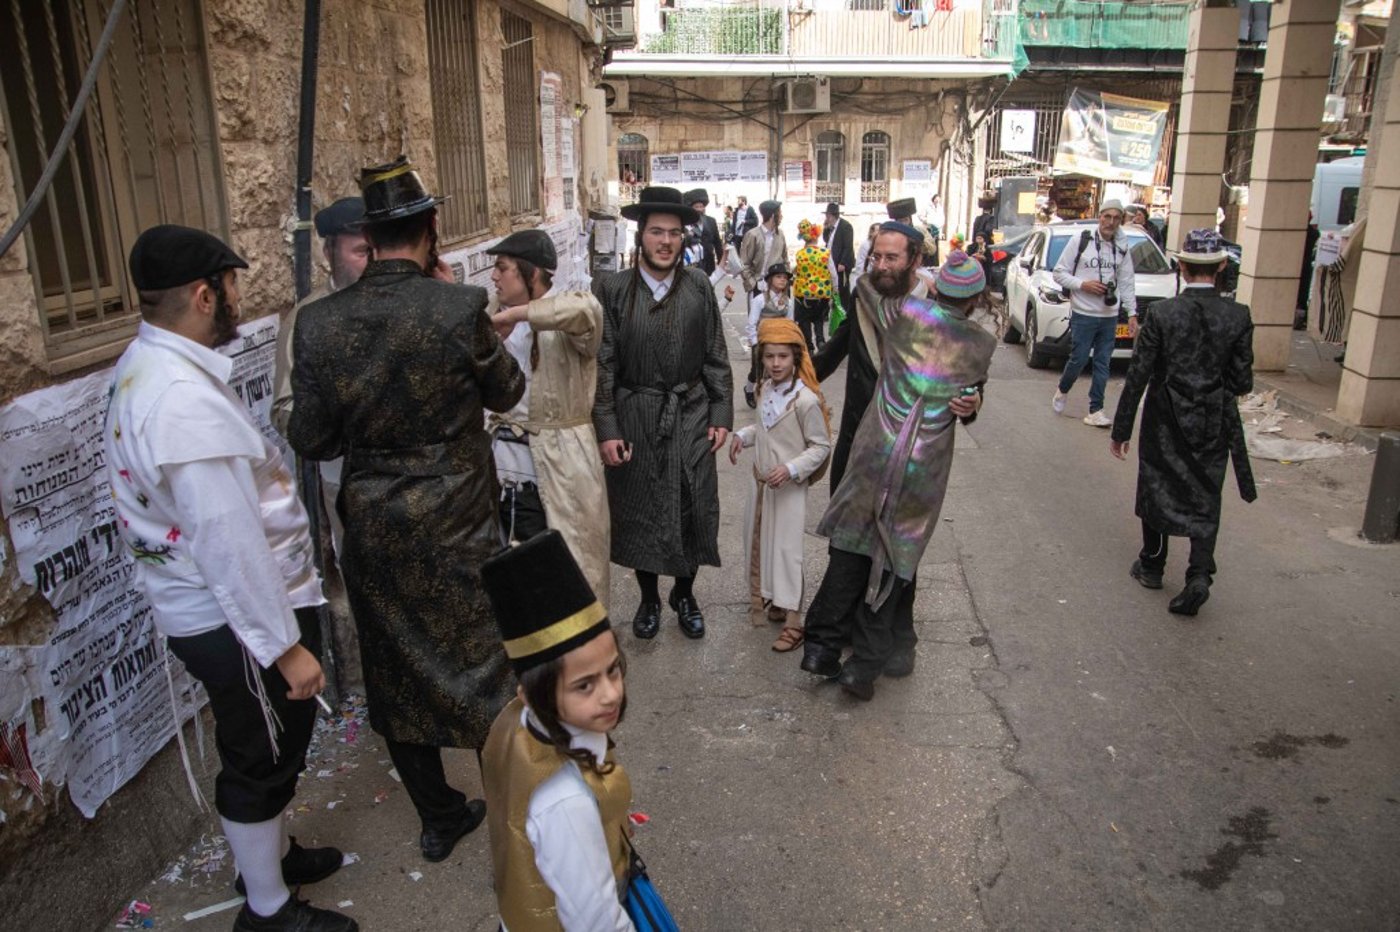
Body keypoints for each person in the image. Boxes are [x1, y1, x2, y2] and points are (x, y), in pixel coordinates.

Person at [106, 225, 355, 932]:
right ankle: (268, 910)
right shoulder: (178, 402)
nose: (239, 299)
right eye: (232, 286)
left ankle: (272, 857)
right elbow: (228, 545)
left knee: (271, 744)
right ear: (202, 293)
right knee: (261, 758)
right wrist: (287, 648)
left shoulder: (155, 367)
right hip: (239, 619)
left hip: (234, 613)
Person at [289, 156, 526, 863]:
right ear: (431, 231)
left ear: (370, 234)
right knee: (485, 668)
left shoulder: (321, 324)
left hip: (376, 527)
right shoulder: (457, 308)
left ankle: (437, 816)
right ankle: (516, 819)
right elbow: (508, 391)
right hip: (460, 520)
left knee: (396, 674)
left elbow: (313, 437)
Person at [801, 237, 992, 702]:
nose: (882, 265)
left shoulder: (903, 315)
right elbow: (969, 391)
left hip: (874, 451)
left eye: (891, 257)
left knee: (850, 547)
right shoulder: (980, 343)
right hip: (923, 465)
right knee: (894, 560)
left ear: (928, 276)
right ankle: (863, 667)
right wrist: (969, 401)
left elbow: (866, 289)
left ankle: (821, 649)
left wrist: (867, 272)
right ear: (975, 299)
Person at [479, 530, 649, 932]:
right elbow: (595, 920)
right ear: (532, 693)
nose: (610, 695)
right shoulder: (566, 801)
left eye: (613, 670)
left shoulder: (517, 721)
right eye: (584, 685)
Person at [591, 186, 733, 641]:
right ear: (641, 236)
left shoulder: (697, 286)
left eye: (674, 233)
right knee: (641, 509)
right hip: (636, 413)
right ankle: (650, 598)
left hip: (689, 409)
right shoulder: (612, 290)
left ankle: (685, 594)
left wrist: (721, 413)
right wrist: (607, 427)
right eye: (657, 232)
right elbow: (603, 364)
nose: (666, 241)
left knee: (693, 505)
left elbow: (716, 354)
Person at [1110, 229, 1256, 617]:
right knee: (1206, 493)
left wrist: (1121, 429)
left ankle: (1153, 564)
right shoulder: (1238, 316)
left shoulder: (1161, 314)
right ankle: (1198, 576)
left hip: (1164, 418)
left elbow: (1138, 375)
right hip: (1213, 420)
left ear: (1181, 266)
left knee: (1157, 487)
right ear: (1222, 266)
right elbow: (1242, 381)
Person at [484, 229, 610, 603]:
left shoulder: (569, 313)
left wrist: (519, 317)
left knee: (569, 573)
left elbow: (586, 312)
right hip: (504, 467)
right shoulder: (492, 319)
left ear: (531, 273)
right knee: (513, 574)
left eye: (502, 268)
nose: (494, 276)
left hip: (561, 466)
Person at [272, 196, 371, 560]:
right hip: (345, 478)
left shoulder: (403, 300)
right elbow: (285, 408)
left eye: (378, 250)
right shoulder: (305, 319)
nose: (373, 262)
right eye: (361, 252)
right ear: (329, 253)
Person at [730, 318, 832, 653]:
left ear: (797, 358)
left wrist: (790, 469)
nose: (775, 363)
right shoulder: (764, 391)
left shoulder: (805, 401)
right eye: (769, 356)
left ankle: (794, 619)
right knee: (763, 544)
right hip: (760, 485)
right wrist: (741, 437)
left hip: (787, 489)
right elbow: (764, 429)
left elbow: (820, 446)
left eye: (783, 357)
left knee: (788, 551)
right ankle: (775, 600)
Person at [1052, 198, 1137, 427]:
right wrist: (1083, 285)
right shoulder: (1081, 240)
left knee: (1103, 362)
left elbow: (1127, 281)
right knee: (1079, 359)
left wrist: (1131, 313)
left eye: (1116, 218)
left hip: (1109, 314)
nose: (1111, 222)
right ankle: (1063, 388)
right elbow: (1059, 273)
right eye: (1107, 217)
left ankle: (1096, 409)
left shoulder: (1122, 247)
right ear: (1099, 217)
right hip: (1083, 312)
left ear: (1121, 220)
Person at [743, 262, 795, 408]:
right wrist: (754, 343)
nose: (783, 280)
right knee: (757, 370)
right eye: (778, 277)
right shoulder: (759, 300)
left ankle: (773, 397)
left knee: (779, 370)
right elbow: (751, 324)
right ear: (770, 280)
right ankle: (748, 389)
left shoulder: (788, 303)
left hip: (780, 342)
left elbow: (790, 323)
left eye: (785, 278)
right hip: (762, 341)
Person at [792, 219, 839, 354]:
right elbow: (833, 274)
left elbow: (797, 272)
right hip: (822, 293)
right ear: (817, 236)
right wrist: (835, 291)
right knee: (819, 319)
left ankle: (809, 346)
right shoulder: (825, 253)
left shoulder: (800, 254)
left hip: (803, 294)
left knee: (804, 321)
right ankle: (820, 340)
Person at [739, 199, 788, 297]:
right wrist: (753, 284)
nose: (782, 216)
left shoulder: (780, 234)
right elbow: (744, 263)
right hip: (758, 287)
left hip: (777, 288)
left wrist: (785, 281)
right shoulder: (752, 235)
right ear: (773, 215)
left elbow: (785, 260)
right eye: (780, 213)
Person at [822, 202, 857, 313]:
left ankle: (844, 310)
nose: (826, 218)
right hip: (831, 261)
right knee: (830, 286)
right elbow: (825, 240)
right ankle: (830, 309)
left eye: (828, 215)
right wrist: (825, 228)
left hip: (842, 263)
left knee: (843, 288)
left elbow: (848, 246)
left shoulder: (845, 226)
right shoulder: (830, 227)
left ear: (833, 216)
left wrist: (843, 262)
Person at [683, 188, 724, 276]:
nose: (699, 209)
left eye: (701, 206)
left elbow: (717, 243)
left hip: (708, 264)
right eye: (696, 207)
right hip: (691, 265)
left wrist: (721, 262)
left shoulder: (711, 221)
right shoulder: (684, 223)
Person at [850, 222, 881, 293]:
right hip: (865, 277)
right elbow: (861, 263)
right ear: (871, 232)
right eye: (877, 230)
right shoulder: (866, 245)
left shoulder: (879, 245)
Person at [921, 194, 945, 266]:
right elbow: (920, 215)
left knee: (935, 246)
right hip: (929, 229)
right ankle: (927, 263)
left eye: (939, 199)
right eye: (936, 199)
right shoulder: (927, 207)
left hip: (936, 229)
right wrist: (927, 221)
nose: (937, 201)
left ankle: (934, 263)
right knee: (928, 245)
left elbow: (942, 218)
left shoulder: (940, 208)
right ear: (933, 199)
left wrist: (940, 225)